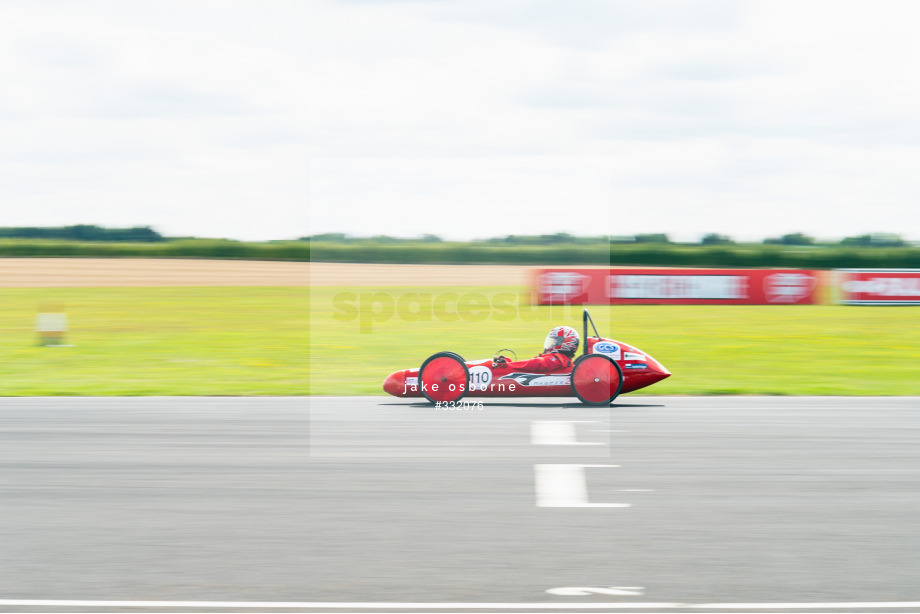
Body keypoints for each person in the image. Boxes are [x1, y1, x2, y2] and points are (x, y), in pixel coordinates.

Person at [491, 326, 579, 373]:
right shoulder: (560, 360)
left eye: (556, 342)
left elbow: (538, 363)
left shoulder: (558, 360)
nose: (552, 344)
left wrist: (509, 365)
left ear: (565, 343)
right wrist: (509, 362)